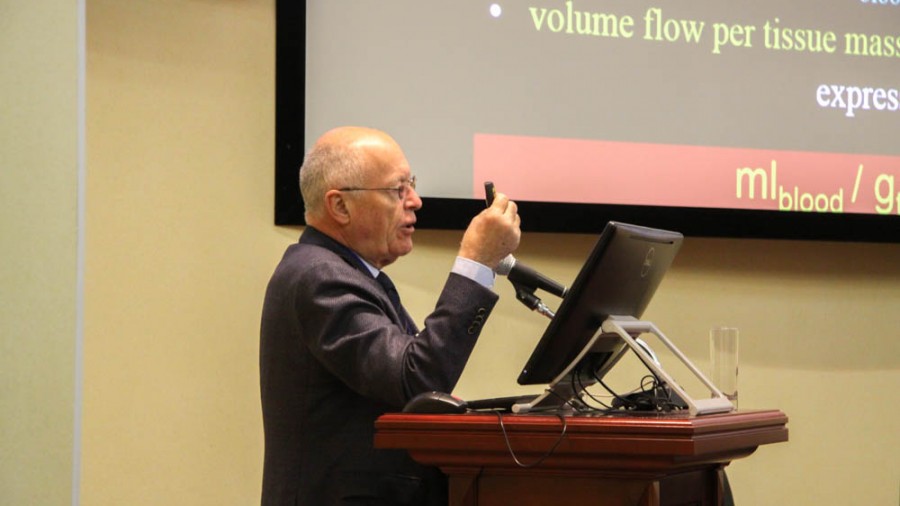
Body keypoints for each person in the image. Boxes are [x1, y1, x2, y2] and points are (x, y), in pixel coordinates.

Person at [259, 126, 521, 505]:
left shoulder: (353, 275)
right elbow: (417, 378)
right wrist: (475, 263)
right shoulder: (321, 277)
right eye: (398, 190)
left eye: (411, 185)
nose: (415, 201)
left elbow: (416, 389)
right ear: (340, 206)